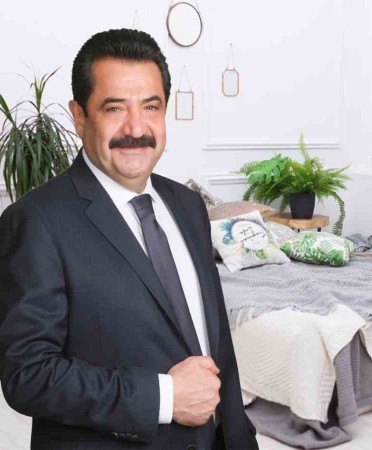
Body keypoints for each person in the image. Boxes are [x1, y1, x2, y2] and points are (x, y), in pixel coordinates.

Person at [0, 29, 258, 449]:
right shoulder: (35, 221)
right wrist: (164, 397)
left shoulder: (188, 205)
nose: (136, 128)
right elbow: (27, 375)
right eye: (115, 108)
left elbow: (216, 347)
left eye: (151, 106)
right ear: (79, 116)